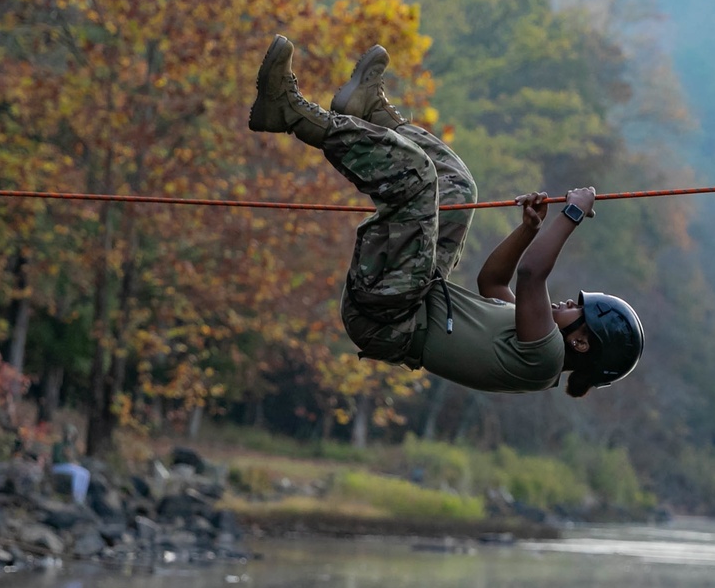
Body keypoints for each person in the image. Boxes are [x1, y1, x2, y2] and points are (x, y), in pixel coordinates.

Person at [248, 35, 643, 397]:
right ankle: (370, 114)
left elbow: (531, 275)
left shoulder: (544, 360)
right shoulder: (532, 334)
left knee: (418, 181)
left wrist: (572, 212)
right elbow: (493, 281)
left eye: (577, 307)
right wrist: (527, 230)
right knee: (459, 188)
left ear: (582, 341)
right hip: (411, 296)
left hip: (391, 317)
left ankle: (289, 113)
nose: (565, 303)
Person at [51, 424, 90, 505]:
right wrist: (69, 462)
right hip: (58, 467)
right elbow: (57, 459)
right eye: (68, 433)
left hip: (70, 467)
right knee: (76, 473)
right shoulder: (58, 445)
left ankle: (81, 496)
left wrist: (75, 463)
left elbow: (76, 460)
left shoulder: (73, 448)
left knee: (85, 473)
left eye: (71, 434)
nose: (69, 436)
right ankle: (75, 496)